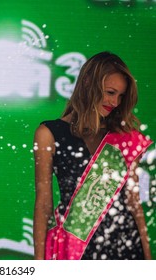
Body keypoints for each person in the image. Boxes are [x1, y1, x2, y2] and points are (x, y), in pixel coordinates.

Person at [33, 51, 153, 260]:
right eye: (110, 92)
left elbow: (133, 201)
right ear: (88, 83)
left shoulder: (124, 137)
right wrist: (38, 263)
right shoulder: (48, 134)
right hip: (77, 250)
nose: (115, 102)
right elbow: (44, 204)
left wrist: (148, 257)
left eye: (121, 96)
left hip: (126, 247)